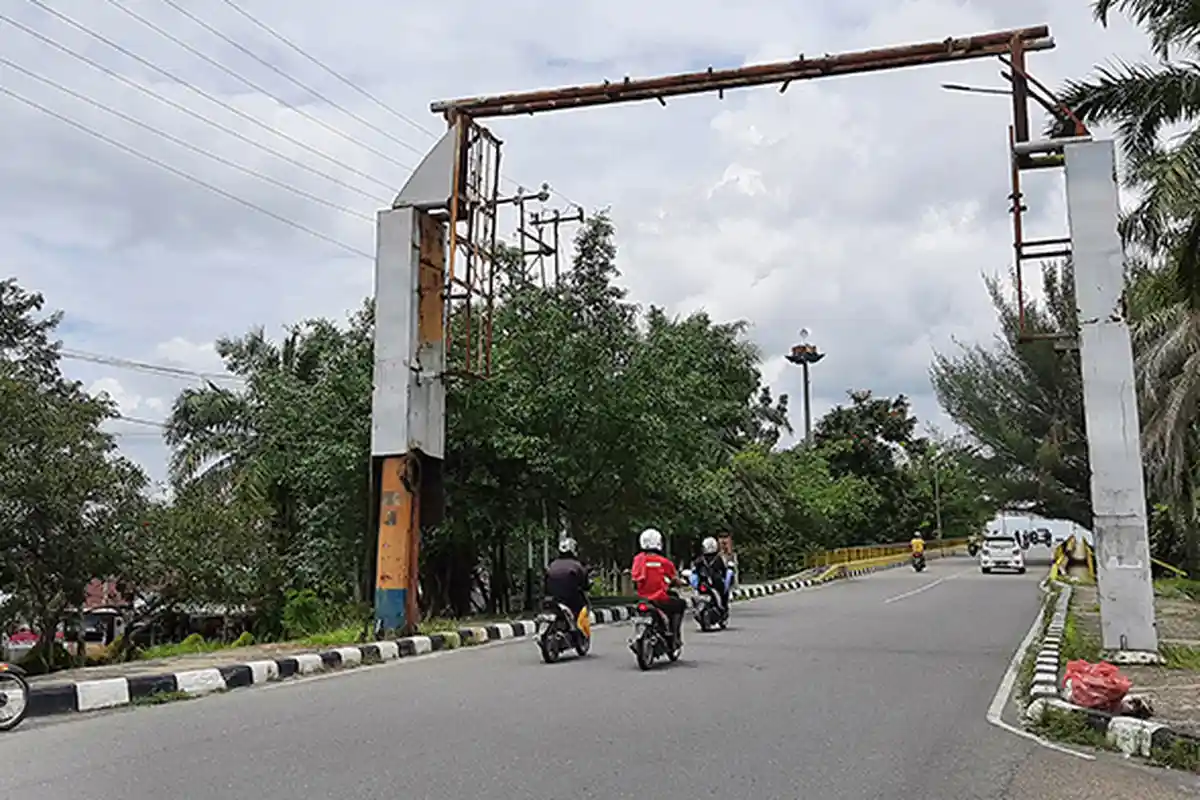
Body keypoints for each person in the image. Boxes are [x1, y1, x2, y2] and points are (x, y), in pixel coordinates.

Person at [631, 528, 687, 648]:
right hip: (659, 599)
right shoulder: (664, 562)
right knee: (680, 604)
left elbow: (634, 578)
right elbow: (674, 579)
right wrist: (681, 583)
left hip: (642, 598)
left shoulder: (638, 560)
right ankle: (675, 636)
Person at [544, 537, 590, 637]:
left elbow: (545, 582)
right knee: (581, 607)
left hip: (552, 598)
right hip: (570, 598)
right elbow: (584, 584)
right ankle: (577, 630)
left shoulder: (552, 565)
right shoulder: (577, 566)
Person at [691, 536, 732, 610]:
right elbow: (724, 571)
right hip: (715, 582)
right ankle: (723, 606)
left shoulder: (700, 559)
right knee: (724, 592)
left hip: (703, 582)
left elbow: (695, 570)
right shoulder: (719, 558)